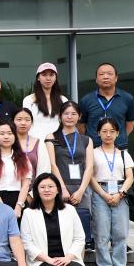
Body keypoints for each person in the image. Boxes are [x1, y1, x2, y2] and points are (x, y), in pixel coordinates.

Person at [90, 118, 134, 266]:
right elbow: (90, 176)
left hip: (120, 193)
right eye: (104, 131)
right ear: (98, 133)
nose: (108, 134)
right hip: (99, 192)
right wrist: (103, 194)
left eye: (112, 131)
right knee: (101, 234)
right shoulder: (93, 153)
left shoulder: (123, 153)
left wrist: (121, 193)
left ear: (117, 133)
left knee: (120, 233)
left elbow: (130, 177)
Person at [45, 102, 95, 247]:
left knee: (82, 232)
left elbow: (89, 167)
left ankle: (80, 260)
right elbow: (52, 165)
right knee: (61, 229)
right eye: (66, 113)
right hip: (60, 188)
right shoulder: (52, 137)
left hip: (81, 189)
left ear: (79, 116)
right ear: (60, 116)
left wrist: (81, 191)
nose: (70, 117)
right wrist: (62, 188)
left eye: (73, 114)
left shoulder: (86, 140)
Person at [80, 62, 134, 150]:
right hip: (93, 148)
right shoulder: (86, 100)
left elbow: (130, 124)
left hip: (119, 148)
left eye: (109, 74)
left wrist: (119, 137)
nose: (105, 77)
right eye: (101, 74)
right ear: (96, 79)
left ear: (116, 78)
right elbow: (80, 124)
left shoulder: (127, 98)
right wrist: (92, 139)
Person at [0, 121, 31, 219]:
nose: (6, 137)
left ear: (15, 136)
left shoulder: (23, 158)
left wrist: (19, 206)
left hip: (19, 201)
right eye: (2, 133)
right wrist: (2, 207)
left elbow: (25, 184)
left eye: (10, 133)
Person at [22, 63, 68, 140]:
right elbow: (25, 123)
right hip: (36, 142)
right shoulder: (29, 100)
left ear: (55, 78)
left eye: (51, 75)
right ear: (38, 78)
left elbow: (66, 123)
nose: (48, 78)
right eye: (44, 75)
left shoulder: (63, 100)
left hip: (58, 142)